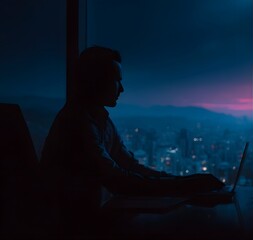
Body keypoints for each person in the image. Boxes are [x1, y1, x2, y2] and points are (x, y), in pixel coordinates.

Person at [39, 46, 224, 236]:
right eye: (117, 80)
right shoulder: (77, 122)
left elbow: (130, 167)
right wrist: (184, 185)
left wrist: (182, 181)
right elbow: (117, 179)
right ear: (96, 81)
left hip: (87, 221)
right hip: (70, 228)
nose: (122, 88)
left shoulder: (101, 121)